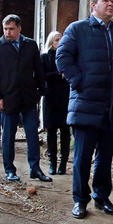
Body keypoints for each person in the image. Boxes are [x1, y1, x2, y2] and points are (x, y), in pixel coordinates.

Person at [56, 0, 113, 219]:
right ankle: (80, 200)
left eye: (112, 1)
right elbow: (62, 57)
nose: (110, 4)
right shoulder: (77, 29)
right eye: (105, 1)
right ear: (93, 5)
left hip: (111, 105)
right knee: (82, 157)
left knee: (105, 156)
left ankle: (102, 197)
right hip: (85, 103)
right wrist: (79, 82)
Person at [0, 14, 52, 182]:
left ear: (19, 28)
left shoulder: (30, 45)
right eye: (5, 29)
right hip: (7, 98)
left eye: (11, 29)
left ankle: (35, 169)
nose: (7, 32)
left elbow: (39, 69)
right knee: (8, 136)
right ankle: (9, 170)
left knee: (32, 135)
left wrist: (40, 92)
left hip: (28, 97)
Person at [41, 31, 71, 175]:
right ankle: (52, 162)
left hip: (65, 97)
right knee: (51, 131)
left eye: (61, 39)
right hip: (50, 97)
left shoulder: (68, 56)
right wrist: (59, 75)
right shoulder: (45, 57)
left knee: (65, 131)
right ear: (51, 42)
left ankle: (63, 163)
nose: (59, 42)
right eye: (56, 39)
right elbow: (42, 76)